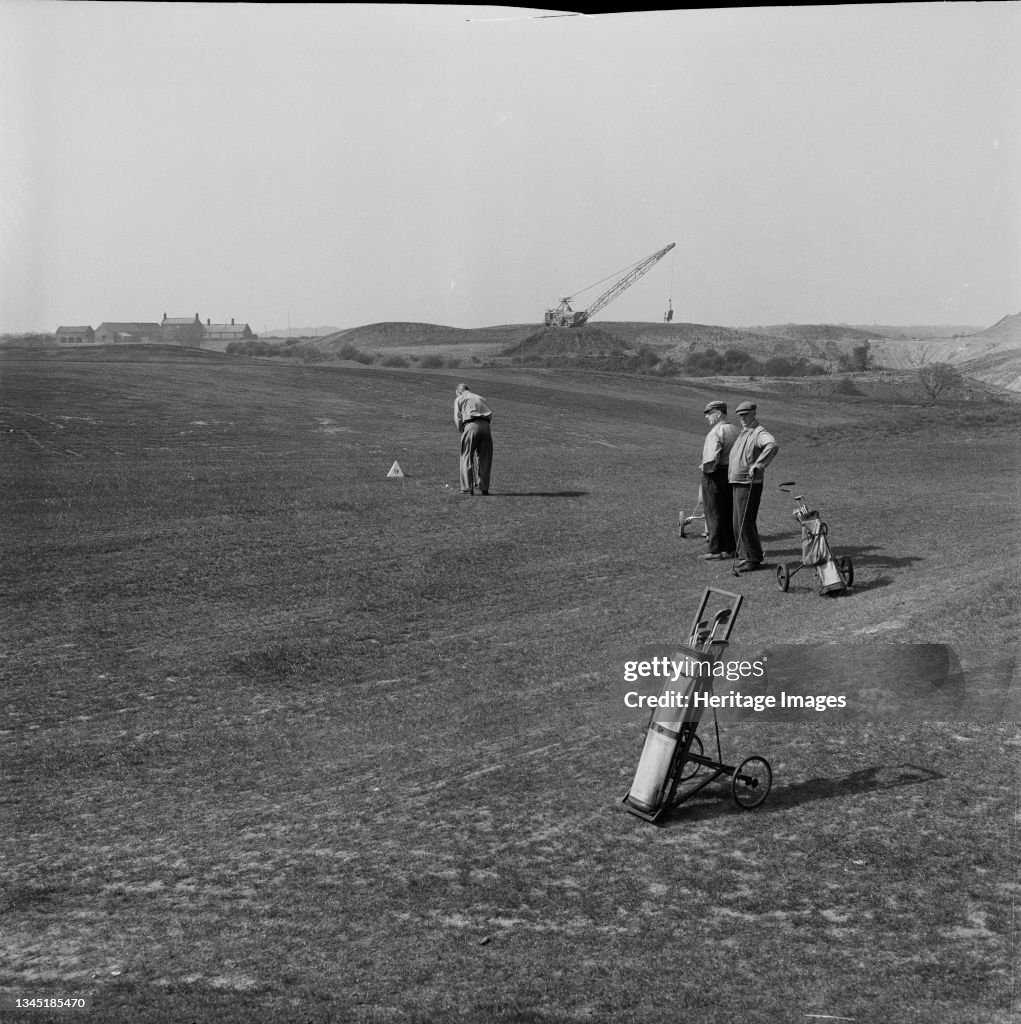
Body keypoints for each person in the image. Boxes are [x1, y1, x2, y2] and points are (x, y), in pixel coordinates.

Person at [728, 400, 779, 571]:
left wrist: (759, 464)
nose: (742, 418)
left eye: (745, 414)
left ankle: (753, 558)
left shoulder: (759, 432)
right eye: (740, 415)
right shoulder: (744, 432)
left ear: (753, 414)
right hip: (737, 482)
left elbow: (772, 444)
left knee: (744, 521)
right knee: (737, 521)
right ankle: (745, 555)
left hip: (749, 483)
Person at [699, 400, 739, 560]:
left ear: (718, 413)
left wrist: (706, 471)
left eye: (709, 413)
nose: (707, 417)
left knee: (713, 512)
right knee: (729, 512)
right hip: (731, 474)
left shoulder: (716, 432)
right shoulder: (736, 430)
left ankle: (714, 550)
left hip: (714, 475)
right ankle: (731, 548)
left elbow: (710, 460)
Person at [454, 383, 493, 495]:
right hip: (486, 427)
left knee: (466, 456)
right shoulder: (480, 398)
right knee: (485, 458)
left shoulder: (460, 398)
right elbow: (490, 414)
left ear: (459, 392)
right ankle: (484, 488)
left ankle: (467, 488)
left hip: (470, 425)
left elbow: (457, 417)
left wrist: (461, 429)